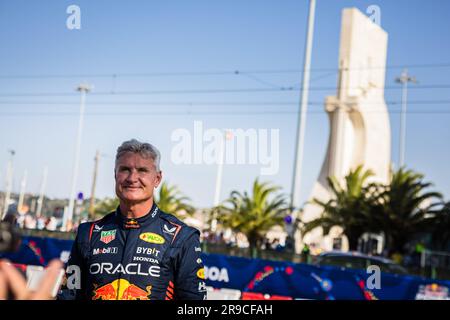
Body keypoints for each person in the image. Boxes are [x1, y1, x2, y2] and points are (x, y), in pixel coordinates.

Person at [58, 139, 206, 300]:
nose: (132, 178)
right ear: (115, 174)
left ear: (157, 178)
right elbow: (68, 296)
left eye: (142, 170)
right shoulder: (88, 234)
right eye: (125, 169)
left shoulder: (182, 237)